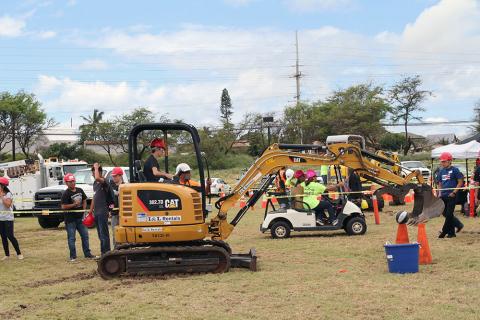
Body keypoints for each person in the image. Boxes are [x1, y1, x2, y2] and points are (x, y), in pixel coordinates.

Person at [60, 173, 95, 262]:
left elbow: (84, 200)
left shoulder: (80, 190)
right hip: (70, 220)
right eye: (70, 182)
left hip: (80, 218)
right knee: (72, 238)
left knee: (85, 236)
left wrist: (83, 210)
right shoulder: (66, 193)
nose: (72, 183)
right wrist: (73, 205)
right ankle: (73, 256)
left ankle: (87, 254)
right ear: (66, 183)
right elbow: (63, 207)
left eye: (73, 181)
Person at [436, 152, 464, 238]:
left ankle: (444, 231)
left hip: (452, 195)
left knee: (449, 214)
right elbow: (439, 183)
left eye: (444, 161)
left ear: (449, 161)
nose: (442, 163)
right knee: (445, 214)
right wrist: (439, 193)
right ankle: (453, 231)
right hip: (443, 195)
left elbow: (460, 182)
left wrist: (454, 192)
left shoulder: (455, 170)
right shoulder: (441, 171)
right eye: (442, 161)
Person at [90, 163, 111, 255]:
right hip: (97, 212)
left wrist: (96, 168)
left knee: (104, 234)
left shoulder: (104, 181)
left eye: (94, 171)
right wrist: (91, 210)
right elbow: (95, 197)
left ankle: (106, 252)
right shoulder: (95, 183)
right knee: (99, 234)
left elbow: (98, 178)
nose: (93, 173)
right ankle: (103, 252)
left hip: (103, 211)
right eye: (93, 171)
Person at [0, 177, 23, 261]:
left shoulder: (8, 194)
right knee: (3, 237)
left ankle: (19, 253)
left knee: (10, 236)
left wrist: (2, 197)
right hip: (0, 219)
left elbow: (8, 205)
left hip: (8, 218)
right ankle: (7, 255)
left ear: (2, 186)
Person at [109, 167, 124, 247]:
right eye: (113, 176)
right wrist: (110, 210)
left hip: (124, 215)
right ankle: (116, 250)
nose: (114, 177)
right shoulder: (111, 186)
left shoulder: (125, 186)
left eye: (115, 176)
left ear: (120, 175)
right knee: (115, 234)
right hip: (114, 213)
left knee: (124, 234)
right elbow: (110, 200)